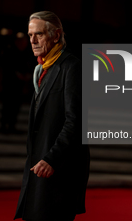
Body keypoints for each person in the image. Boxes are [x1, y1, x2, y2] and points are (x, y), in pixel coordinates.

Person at [14, 11, 90, 221]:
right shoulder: (42, 69)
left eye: (39, 34)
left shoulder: (71, 67)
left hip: (58, 169)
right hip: (38, 166)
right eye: (30, 35)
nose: (33, 40)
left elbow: (76, 120)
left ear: (56, 35)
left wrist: (51, 159)